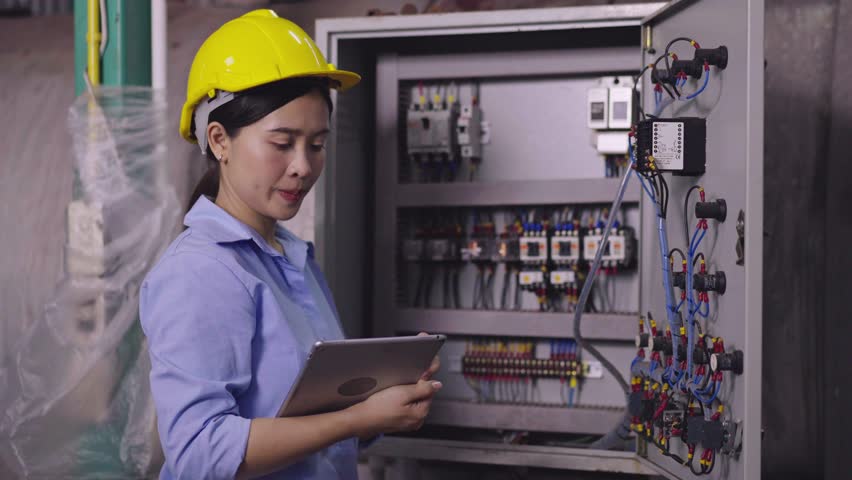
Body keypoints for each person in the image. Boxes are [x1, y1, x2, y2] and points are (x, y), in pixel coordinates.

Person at [140, 10, 441, 480]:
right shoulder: (199, 273)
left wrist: (386, 393)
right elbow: (200, 453)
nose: (303, 166)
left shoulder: (290, 257)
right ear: (220, 140)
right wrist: (355, 419)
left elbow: (311, 416)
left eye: (317, 145)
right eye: (282, 143)